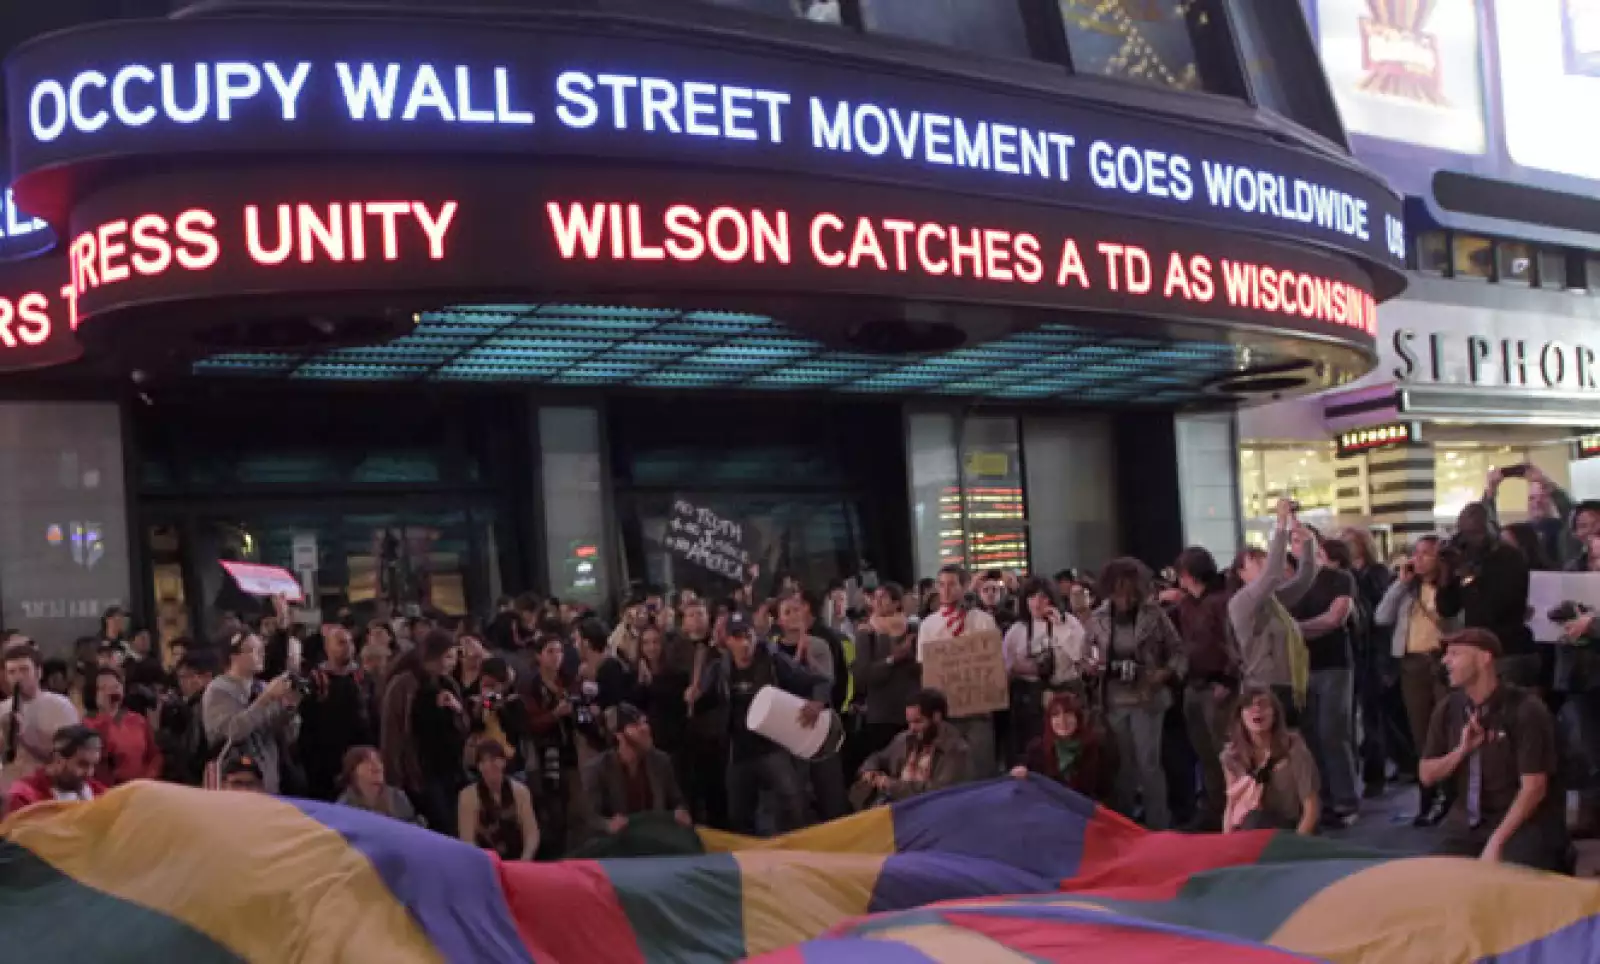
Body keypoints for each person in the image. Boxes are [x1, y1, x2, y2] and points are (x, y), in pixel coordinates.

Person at [1421, 629, 1570, 871]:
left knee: (1508, 880)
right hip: (1466, 822)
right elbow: (1426, 774)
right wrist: (1461, 751)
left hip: (1521, 822)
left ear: (1484, 658)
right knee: (1437, 883)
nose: (1445, 661)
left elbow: (1534, 788)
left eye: (1455, 654)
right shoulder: (1449, 708)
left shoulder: (1526, 709)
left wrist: (1495, 843)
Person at [692, 611, 828, 836]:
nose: (744, 643)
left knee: (793, 803)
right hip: (739, 751)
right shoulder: (720, 669)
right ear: (727, 641)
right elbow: (701, 704)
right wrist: (694, 697)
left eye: (748, 636)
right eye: (737, 637)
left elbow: (818, 681)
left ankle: (798, 852)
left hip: (772, 746)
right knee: (738, 814)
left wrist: (818, 702)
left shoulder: (773, 660)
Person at [1085, 558, 1185, 830]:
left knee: (1149, 763)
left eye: (1129, 591)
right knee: (1121, 766)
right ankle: (1124, 824)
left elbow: (1178, 651)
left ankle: (1158, 823)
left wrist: (1164, 674)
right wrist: (1093, 666)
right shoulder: (1098, 619)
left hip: (1148, 699)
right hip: (1113, 700)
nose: (1125, 598)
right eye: (1118, 591)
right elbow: (1085, 656)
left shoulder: (1154, 615)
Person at [1376, 536, 1462, 826]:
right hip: (1411, 663)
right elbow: (1381, 617)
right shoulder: (1409, 588)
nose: (1420, 559)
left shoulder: (1451, 588)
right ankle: (1427, 800)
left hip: (1441, 660)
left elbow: (1455, 621)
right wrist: (1401, 583)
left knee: (1447, 729)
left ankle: (1452, 798)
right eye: (1417, 553)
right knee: (1421, 733)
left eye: (1428, 554)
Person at [1289, 533, 1361, 829]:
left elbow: (1335, 618)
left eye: (1302, 538)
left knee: (1333, 732)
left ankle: (1346, 801)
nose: (1297, 545)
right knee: (1310, 736)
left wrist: (1293, 629)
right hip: (1302, 668)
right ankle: (1322, 800)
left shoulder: (1338, 578)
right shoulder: (1291, 583)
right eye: (1292, 540)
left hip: (1334, 665)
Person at [1228, 498, 1318, 721]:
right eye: (1256, 562)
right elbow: (1272, 575)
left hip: (1290, 685)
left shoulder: (1273, 600)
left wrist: (1307, 543)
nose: (1264, 566)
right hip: (1263, 688)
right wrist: (1280, 525)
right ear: (1241, 574)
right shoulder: (1241, 602)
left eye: (1264, 560)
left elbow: (1305, 578)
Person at [1169, 546, 1238, 830]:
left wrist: (1228, 679)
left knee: (1225, 751)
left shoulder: (1222, 603)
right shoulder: (1187, 605)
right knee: (1205, 753)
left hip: (1217, 686)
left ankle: (1234, 808)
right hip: (1194, 685)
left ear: (1187, 574)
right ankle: (1214, 808)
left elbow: (1234, 644)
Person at [918, 565, 999, 780]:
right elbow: (925, 667)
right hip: (946, 714)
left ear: (964, 587)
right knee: (951, 773)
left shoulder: (983, 620)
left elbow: (993, 663)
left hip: (979, 710)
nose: (945, 590)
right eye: (941, 584)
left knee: (981, 768)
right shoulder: (928, 625)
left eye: (952, 584)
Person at [1443, 503, 1534, 687]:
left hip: (1508, 650)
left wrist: (1468, 575)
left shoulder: (1510, 558)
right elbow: (1446, 608)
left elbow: (1498, 608)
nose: (1471, 539)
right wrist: (1446, 573)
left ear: (1491, 528)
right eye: (1465, 533)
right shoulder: (1465, 558)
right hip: (1476, 650)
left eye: (1475, 532)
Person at [776, 591, 847, 821]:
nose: (794, 615)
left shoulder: (819, 645)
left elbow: (826, 679)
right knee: (796, 794)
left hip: (819, 723)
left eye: (797, 610)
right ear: (780, 621)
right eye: (787, 612)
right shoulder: (772, 651)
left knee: (829, 789)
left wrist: (817, 702)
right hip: (789, 728)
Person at [202, 631, 300, 795]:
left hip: (268, 782)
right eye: (253, 650)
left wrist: (289, 708)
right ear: (234, 657)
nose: (261, 654)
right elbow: (233, 732)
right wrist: (266, 699)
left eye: (262, 649)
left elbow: (287, 736)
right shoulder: (218, 690)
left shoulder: (262, 686)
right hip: (233, 784)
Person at [1002, 578, 1089, 764]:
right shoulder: (1017, 630)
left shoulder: (1069, 623)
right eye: (1031, 597)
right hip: (1032, 698)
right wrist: (1023, 668)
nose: (1036, 603)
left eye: (1042, 597)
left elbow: (1080, 655)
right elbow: (1005, 667)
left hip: (1067, 691)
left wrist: (1060, 627)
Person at [1341, 527, 1396, 799]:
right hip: (1355, 652)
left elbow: (1381, 615)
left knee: (1372, 716)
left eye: (1350, 541)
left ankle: (1376, 774)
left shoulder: (1376, 574)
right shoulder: (1346, 576)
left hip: (1373, 652)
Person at [1220, 687, 1320, 834]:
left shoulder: (1294, 749)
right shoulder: (1232, 757)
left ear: (1275, 714)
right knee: (1252, 820)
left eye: (1263, 704)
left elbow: (1311, 808)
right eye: (1249, 705)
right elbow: (1232, 805)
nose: (1256, 709)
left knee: (1255, 821)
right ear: (1240, 715)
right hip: (1251, 830)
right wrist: (1226, 847)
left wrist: (1296, 848)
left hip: (1291, 831)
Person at [582, 703, 691, 836]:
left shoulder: (661, 761)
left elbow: (677, 801)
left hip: (657, 842)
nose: (645, 728)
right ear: (619, 734)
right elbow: (591, 818)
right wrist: (608, 825)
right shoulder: (597, 769)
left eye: (644, 723)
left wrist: (681, 812)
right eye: (636, 725)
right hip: (618, 847)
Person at [297, 622, 374, 801]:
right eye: (341, 642)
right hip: (324, 761)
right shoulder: (316, 680)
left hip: (358, 756)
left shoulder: (362, 678)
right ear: (327, 647)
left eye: (350, 642)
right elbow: (307, 722)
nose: (347, 647)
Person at [526, 634, 587, 856]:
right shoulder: (531, 685)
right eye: (550, 651)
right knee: (551, 805)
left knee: (573, 804)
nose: (556, 657)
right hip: (544, 752)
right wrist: (554, 714)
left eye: (559, 651)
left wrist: (583, 713)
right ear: (539, 656)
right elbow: (529, 722)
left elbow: (582, 715)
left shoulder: (569, 681)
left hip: (570, 749)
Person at [855, 688, 969, 806]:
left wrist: (891, 785)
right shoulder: (905, 739)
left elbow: (939, 792)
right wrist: (870, 771)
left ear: (936, 717)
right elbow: (878, 757)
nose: (912, 728)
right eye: (909, 722)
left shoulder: (955, 750)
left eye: (918, 722)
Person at [851, 582, 921, 768]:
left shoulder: (913, 630)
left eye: (884, 597)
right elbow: (863, 677)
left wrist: (911, 656)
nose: (878, 602)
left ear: (897, 603)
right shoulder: (867, 634)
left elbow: (924, 670)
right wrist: (892, 659)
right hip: (881, 716)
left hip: (912, 714)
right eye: (875, 598)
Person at [0, 642, 82, 799]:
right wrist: (5, 736)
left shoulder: (60, 706)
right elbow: (5, 758)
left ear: (38, 672)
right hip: (10, 791)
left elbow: (67, 757)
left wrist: (24, 736)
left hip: (48, 792)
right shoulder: (2, 709)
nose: (18, 677)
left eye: (24, 670)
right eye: (12, 672)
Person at [1010, 691, 1115, 802]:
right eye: (1056, 715)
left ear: (1077, 718)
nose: (1062, 720)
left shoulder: (1095, 747)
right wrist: (1021, 772)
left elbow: (1105, 791)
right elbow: (1026, 781)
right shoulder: (1037, 749)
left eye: (1068, 714)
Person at [458, 741, 539, 861]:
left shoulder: (520, 792)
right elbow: (467, 841)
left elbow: (532, 833)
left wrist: (524, 861)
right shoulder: (468, 796)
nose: (489, 765)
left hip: (519, 859)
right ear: (479, 767)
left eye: (494, 759)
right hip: (487, 862)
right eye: (483, 761)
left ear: (503, 762)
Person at [3, 725, 107, 815]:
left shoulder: (99, 793)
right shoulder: (25, 799)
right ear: (58, 759)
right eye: (82, 764)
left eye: (93, 765)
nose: (90, 773)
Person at [85, 668, 161, 787]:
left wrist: (148, 778)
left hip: (141, 786)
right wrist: (106, 714)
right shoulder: (89, 723)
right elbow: (100, 757)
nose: (110, 692)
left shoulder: (138, 720)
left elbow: (154, 755)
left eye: (115, 687)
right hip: (109, 789)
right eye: (104, 688)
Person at [336, 745, 419, 823]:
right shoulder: (345, 804)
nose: (376, 765)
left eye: (378, 760)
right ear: (353, 771)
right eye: (367, 761)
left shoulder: (397, 796)